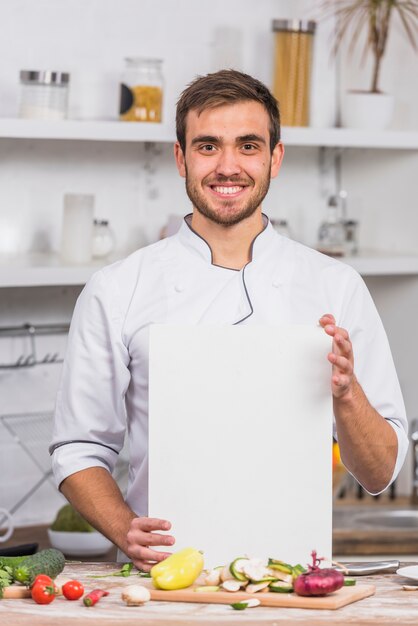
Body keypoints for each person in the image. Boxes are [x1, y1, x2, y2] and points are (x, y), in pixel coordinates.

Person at [50, 69, 408, 571]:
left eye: (247, 146)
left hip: (295, 578)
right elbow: (79, 446)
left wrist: (347, 396)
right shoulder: (117, 288)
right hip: (163, 577)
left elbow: (381, 471)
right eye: (207, 146)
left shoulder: (336, 285)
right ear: (180, 158)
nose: (227, 166)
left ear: (274, 158)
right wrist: (123, 528)